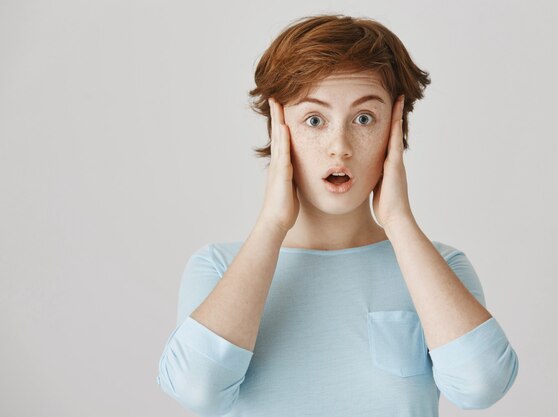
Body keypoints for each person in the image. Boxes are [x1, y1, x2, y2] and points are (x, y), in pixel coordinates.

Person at [156, 14, 519, 416]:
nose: (340, 146)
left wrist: (399, 222)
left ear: (395, 133)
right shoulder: (216, 267)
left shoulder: (442, 266)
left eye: (364, 119)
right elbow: (197, 391)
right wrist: (272, 224)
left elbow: (482, 386)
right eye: (314, 119)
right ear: (279, 131)